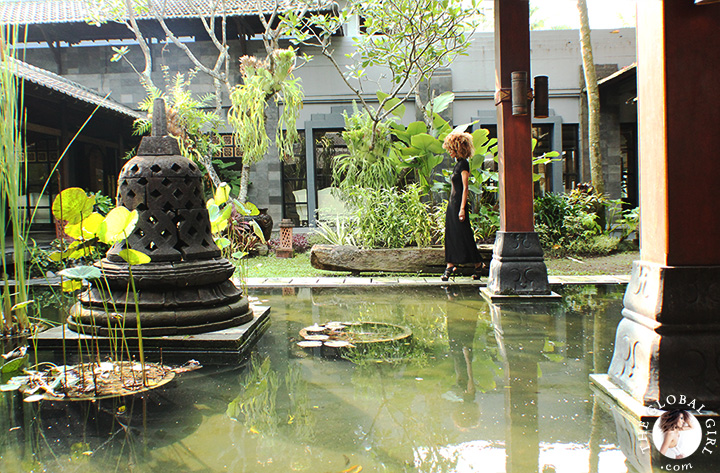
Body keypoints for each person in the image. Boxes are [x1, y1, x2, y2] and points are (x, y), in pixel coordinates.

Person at [441, 132, 482, 281]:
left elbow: (465, 188)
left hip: (459, 204)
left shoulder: (464, 164)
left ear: (458, 148)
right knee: (451, 235)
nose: (449, 152)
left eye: (451, 149)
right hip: (452, 205)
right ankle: (450, 265)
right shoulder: (457, 164)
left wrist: (463, 208)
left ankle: (478, 264)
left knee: (465, 234)